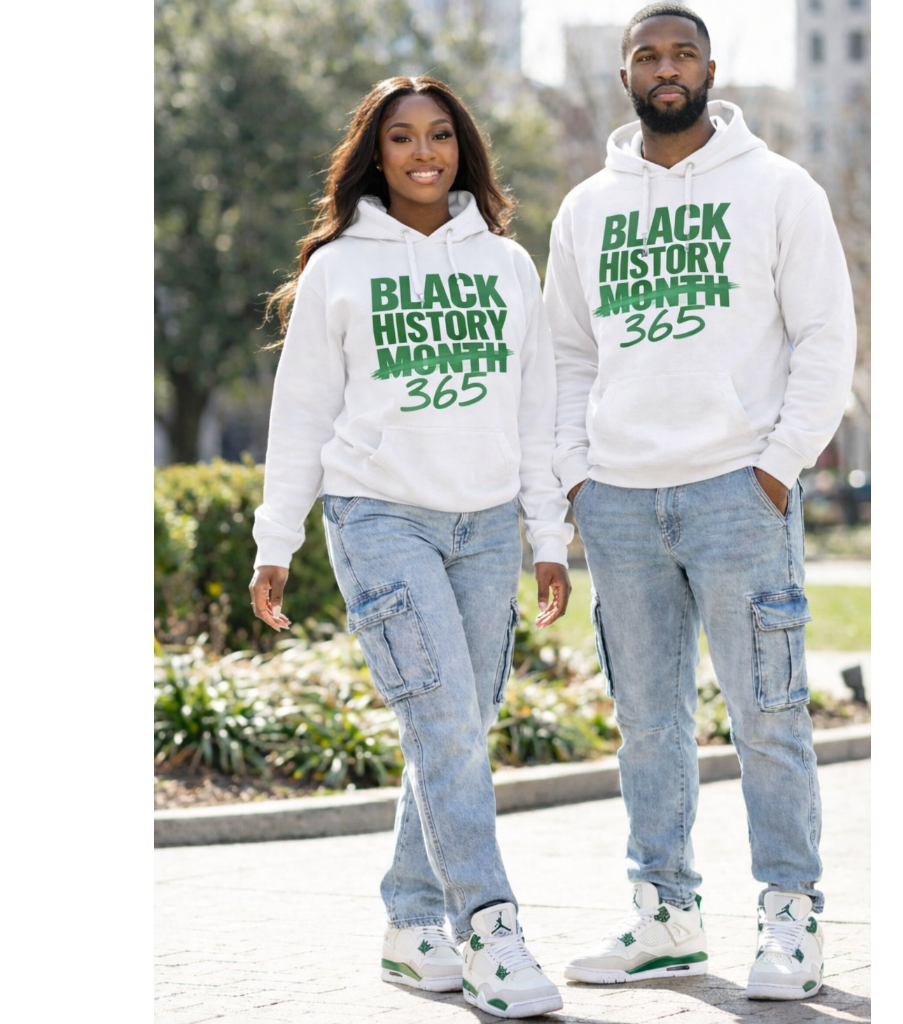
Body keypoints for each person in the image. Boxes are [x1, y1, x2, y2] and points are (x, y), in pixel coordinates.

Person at [542, 4, 856, 1002]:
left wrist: (775, 466)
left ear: (710, 68)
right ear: (624, 72)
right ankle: (663, 915)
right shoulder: (588, 206)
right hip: (622, 502)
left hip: (737, 492)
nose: (664, 68)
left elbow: (824, 338)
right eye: (646, 54)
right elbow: (563, 356)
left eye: (681, 53)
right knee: (647, 723)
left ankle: (790, 919)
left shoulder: (778, 189)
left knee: (767, 716)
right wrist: (579, 479)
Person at [250, 75, 571, 1019]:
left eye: (439, 135)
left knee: (455, 731)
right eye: (402, 137)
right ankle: (491, 929)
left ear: (461, 149)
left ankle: (409, 920)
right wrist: (279, 540)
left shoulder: (509, 265)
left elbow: (538, 411)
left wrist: (546, 535)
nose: (423, 152)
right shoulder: (341, 268)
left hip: (484, 529)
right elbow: (300, 413)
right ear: (375, 153)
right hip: (379, 516)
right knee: (441, 725)